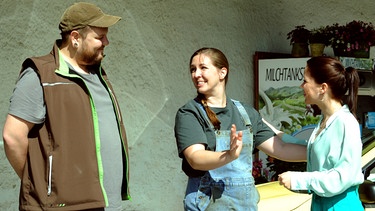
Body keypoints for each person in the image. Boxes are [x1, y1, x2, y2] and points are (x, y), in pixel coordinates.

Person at [2, 2, 130, 210]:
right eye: (99, 37)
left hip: (105, 203)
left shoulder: (98, 75)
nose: (107, 42)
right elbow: (12, 137)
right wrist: (41, 185)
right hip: (61, 206)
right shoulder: (40, 75)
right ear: (75, 38)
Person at [174, 47, 307, 211]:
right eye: (193, 69)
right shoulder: (190, 113)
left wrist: (319, 154)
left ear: (222, 73)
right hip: (207, 203)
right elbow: (195, 158)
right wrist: (228, 155)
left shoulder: (245, 113)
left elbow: (281, 148)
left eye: (203, 68)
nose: (196, 74)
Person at [277, 57, 364, 210]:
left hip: (340, 206)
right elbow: (314, 149)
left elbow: (343, 176)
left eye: (305, 81)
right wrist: (276, 134)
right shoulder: (325, 120)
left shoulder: (346, 123)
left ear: (322, 88)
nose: (301, 85)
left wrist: (299, 179)